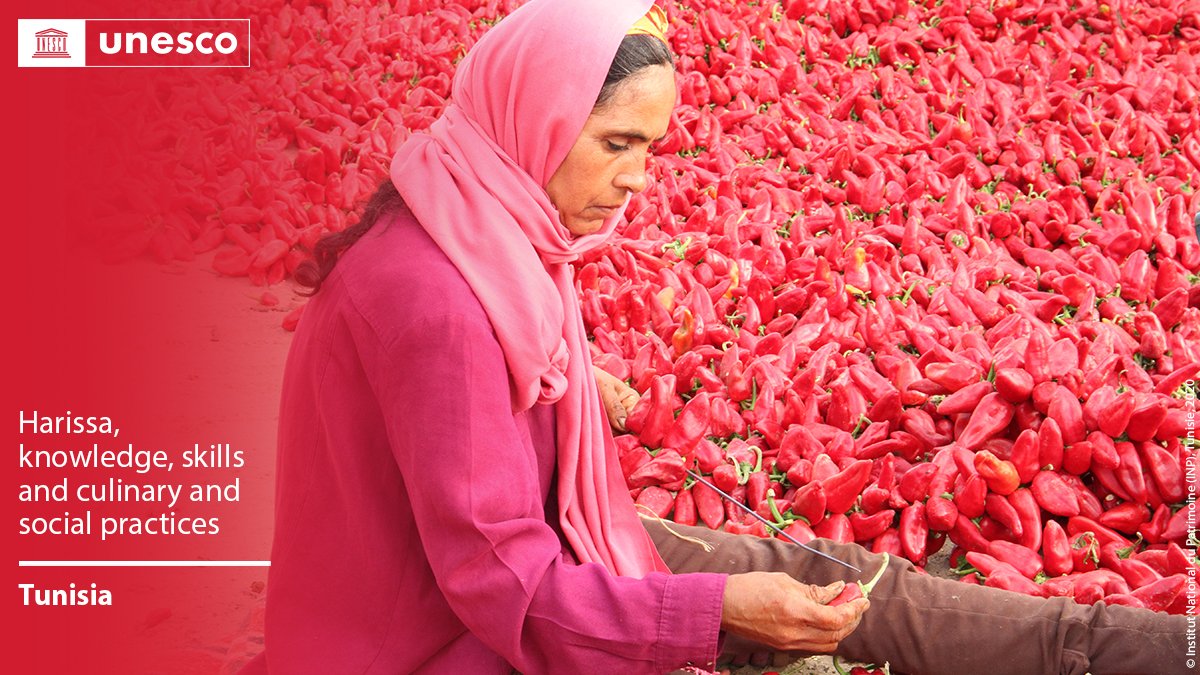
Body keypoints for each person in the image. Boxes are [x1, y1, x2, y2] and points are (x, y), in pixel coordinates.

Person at [244, 1, 1189, 673]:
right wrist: (715, 614)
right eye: (614, 143)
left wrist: (580, 382)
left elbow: (475, 429)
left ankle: (1159, 651)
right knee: (802, 609)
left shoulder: (474, 218)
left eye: (649, 150)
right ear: (531, 118)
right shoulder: (439, 294)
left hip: (542, 550)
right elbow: (502, 583)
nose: (636, 182)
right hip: (434, 637)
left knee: (853, 589)